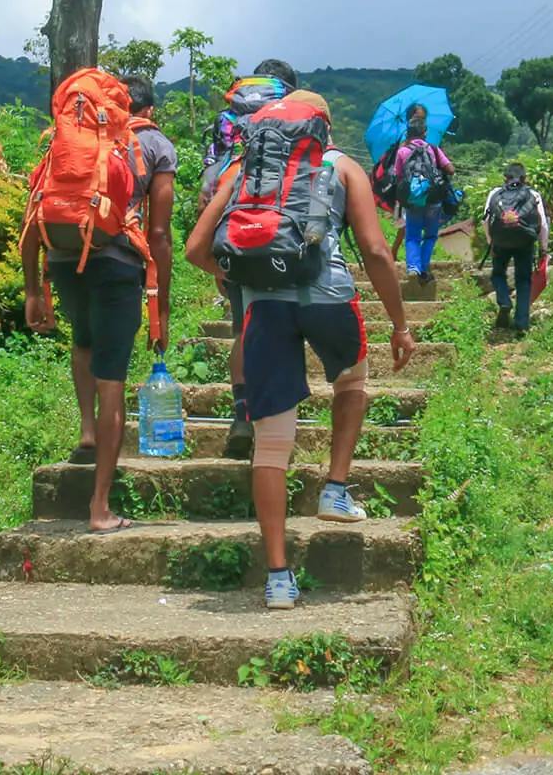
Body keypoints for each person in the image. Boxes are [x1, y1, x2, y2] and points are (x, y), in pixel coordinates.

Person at [186, 89, 416, 610]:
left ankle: (278, 578)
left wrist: (239, 277)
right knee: (351, 379)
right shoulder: (340, 165)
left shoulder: (243, 170)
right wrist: (400, 324)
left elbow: (197, 249)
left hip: (265, 309)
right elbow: (378, 251)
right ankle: (335, 486)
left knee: (271, 445)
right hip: (329, 296)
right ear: (323, 127)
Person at [21, 73, 175, 533]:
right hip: (117, 265)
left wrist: (32, 290)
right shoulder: (153, 146)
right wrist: (160, 308)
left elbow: (35, 213)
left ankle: (87, 433)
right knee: (113, 380)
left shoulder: (63, 140)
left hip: (65, 259)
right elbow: (161, 234)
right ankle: (100, 507)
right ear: (143, 109)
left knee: (84, 342)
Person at [201, 58, 299, 461]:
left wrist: (213, 252)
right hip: (283, 234)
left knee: (243, 330)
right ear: (289, 86)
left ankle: (242, 416)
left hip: (234, 232)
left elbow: (209, 182)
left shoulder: (227, 120)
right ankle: (275, 422)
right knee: (286, 329)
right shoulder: (297, 114)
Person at [389, 104, 454, 281]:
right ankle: (424, 267)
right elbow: (450, 169)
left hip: (413, 200)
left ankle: (413, 268)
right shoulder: (433, 149)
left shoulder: (402, 151)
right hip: (433, 199)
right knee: (431, 235)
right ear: (424, 132)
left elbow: (398, 175)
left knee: (412, 236)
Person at [483, 161, 549, 335]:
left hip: (501, 241)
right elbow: (542, 223)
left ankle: (504, 300)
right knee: (523, 280)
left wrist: (491, 242)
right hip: (525, 241)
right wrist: (543, 248)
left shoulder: (495, 194)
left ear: (505, 177)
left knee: (497, 274)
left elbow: (485, 221)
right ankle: (521, 322)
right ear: (525, 178)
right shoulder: (533, 194)